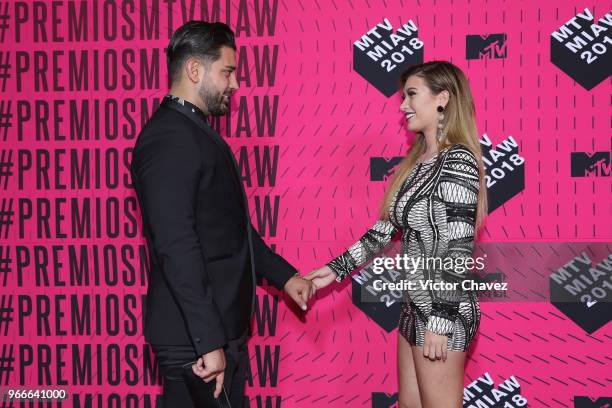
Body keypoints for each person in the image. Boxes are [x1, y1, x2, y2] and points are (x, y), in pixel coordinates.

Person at [130, 21, 314, 407]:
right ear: (195, 70)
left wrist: (285, 276)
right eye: (227, 71)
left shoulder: (192, 131)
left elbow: (232, 231)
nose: (235, 84)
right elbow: (176, 246)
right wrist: (207, 341)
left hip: (214, 333)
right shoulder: (170, 139)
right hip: (195, 342)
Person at [306, 61, 488, 408]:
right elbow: (382, 230)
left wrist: (441, 319)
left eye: (411, 95)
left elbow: (459, 247)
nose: (403, 105)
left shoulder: (459, 161)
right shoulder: (417, 163)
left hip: (443, 311)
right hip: (415, 308)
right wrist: (333, 271)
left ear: (442, 99)